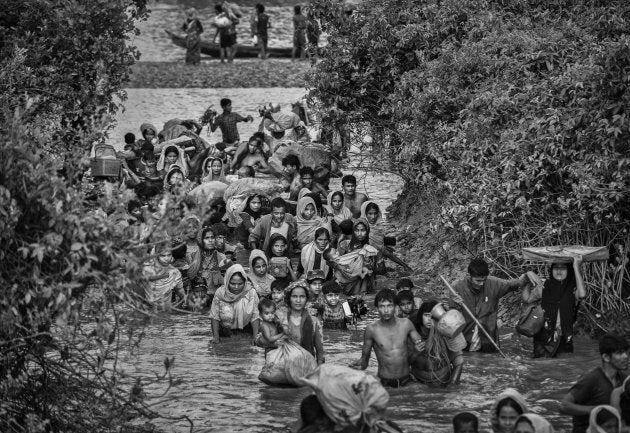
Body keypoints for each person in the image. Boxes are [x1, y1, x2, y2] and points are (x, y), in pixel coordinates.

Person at [448, 257, 529, 353]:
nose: (482, 284)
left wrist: (527, 277)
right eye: (478, 281)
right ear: (468, 276)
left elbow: (512, 284)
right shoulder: (457, 287)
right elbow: (450, 318)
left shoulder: (494, 283)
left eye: (484, 280)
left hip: (488, 341)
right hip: (464, 341)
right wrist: (456, 306)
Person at [350, 289, 423, 387]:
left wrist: (417, 351)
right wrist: (354, 368)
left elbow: (422, 346)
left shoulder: (406, 324)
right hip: (385, 382)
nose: (386, 310)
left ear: (396, 307)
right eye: (382, 306)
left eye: (389, 305)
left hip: (406, 380)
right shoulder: (371, 330)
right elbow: (364, 361)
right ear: (376, 308)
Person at [560, 333, 629, 433]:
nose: (626, 356)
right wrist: (594, 410)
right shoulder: (592, 379)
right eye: (619, 353)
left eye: (626, 352)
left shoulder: (625, 379)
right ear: (606, 357)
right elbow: (564, 406)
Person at [525, 258, 586, 358]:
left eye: (563, 268)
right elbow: (527, 299)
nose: (559, 271)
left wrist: (576, 266)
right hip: (542, 337)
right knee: (541, 367)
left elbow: (582, 294)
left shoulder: (574, 288)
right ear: (552, 270)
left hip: (564, 337)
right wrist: (528, 280)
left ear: (569, 270)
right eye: (556, 267)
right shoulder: (544, 286)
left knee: (562, 367)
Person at [410, 299, 464, 385]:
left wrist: (453, 385)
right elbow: (403, 364)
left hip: (443, 382)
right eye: (426, 315)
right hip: (418, 383)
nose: (429, 319)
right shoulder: (412, 333)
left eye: (432, 316)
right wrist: (415, 353)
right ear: (421, 316)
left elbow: (459, 362)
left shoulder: (446, 333)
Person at [334, 219, 383, 295]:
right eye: (357, 230)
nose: (360, 234)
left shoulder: (373, 247)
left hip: (367, 284)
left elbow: (382, 269)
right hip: (347, 283)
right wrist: (340, 267)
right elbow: (332, 261)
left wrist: (369, 267)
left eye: (363, 230)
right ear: (353, 231)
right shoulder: (345, 245)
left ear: (367, 231)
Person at [282, 281, 325, 364]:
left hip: (307, 366)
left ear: (306, 299)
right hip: (285, 366)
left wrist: (319, 371)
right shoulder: (280, 319)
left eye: (302, 296)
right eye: (294, 296)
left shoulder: (314, 322)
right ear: (289, 298)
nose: (298, 300)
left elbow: (320, 351)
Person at [142, 243, 186, 312]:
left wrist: (187, 301)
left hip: (166, 311)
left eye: (169, 255)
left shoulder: (175, 272)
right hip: (149, 312)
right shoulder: (148, 270)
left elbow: (180, 291)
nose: (166, 258)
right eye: (163, 256)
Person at [198, 226, 230, 300]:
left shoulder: (221, 257)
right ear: (201, 240)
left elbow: (227, 279)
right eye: (207, 238)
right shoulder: (195, 257)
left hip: (217, 296)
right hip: (200, 297)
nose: (210, 240)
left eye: (212, 237)